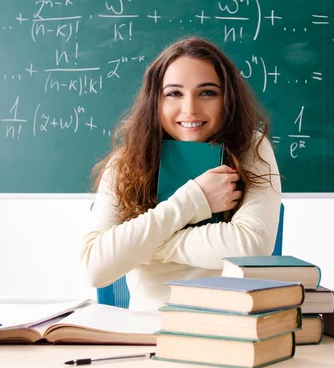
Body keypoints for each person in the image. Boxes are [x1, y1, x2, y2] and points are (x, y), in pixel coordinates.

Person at [79, 36, 282, 312]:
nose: (190, 109)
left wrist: (142, 245)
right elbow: (95, 267)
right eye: (174, 93)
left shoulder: (251, 150)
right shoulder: (125, 163)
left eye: (207, 92)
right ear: (156, 101)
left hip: (228, 330)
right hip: (146, 333)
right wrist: (193, 200)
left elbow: (250, 246)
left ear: (227, 99)